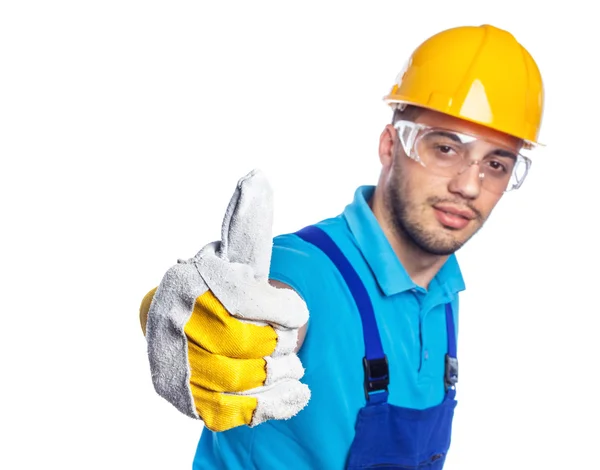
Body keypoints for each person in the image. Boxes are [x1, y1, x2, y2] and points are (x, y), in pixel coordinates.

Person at [139, 23, 545, 470]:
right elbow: (252, 310)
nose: (470, 185)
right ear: (390, 145)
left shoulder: (445, 292)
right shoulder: (305, 270)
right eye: (445, 148)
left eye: (496, 163)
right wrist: (196, 323)